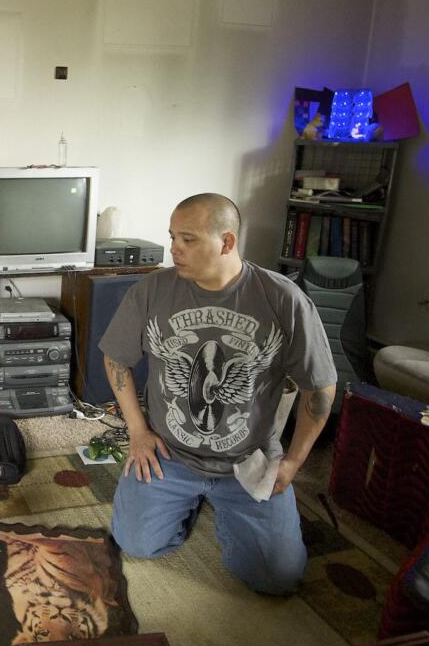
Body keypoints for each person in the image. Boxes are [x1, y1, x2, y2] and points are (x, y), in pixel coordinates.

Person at [99, 193, 336, 595]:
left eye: (187, 240)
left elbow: (321, 387)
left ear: (226, 242)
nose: (174, 249)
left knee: (279, 580)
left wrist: (293, 462)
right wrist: (138, 432)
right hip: (169, 456)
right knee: (136, 544)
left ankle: (227, 510)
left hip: (250, 461)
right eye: (172, 236)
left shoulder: (283, 299)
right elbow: (116, 360)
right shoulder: (152, 291)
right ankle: (187, 505)